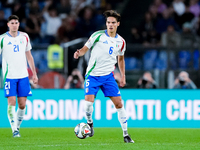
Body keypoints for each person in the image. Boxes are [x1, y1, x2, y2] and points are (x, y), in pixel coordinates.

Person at [74, 10, 134, 143]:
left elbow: (121, 59)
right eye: (108, 22)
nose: (110, 25)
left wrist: (123, 76)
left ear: (118, 24)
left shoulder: (121, 42)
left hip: (108, 77)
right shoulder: (98, 35)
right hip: (93, 76)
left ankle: (126, 135)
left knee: (119, 104)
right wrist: (79, 53)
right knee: (88, 104)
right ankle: (90, 124)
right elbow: (85, 48)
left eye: (113, 23)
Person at [0, 15, 38, 137]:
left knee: (22, 104)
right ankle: (14, 130)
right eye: (12, 23)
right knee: (11, 102)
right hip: (9, 75)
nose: (14, 25)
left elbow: (29, 56)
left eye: (16, 22)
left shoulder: (25, 37)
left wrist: (34, 74)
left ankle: (17, 127)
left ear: (19, 24)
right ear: (8, 24)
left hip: (23, 75)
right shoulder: (2, 39)